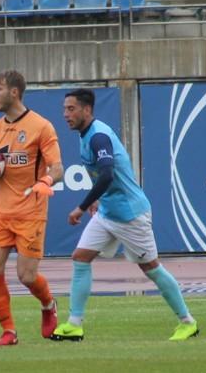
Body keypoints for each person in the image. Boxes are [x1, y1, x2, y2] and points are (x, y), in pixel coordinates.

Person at [53, 88, 198, 342]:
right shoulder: (85, 134)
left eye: (71, 109)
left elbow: (108, 174)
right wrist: (97, 200)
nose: (66, 114)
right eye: (65, 109)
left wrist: (81, 205)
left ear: (87, 110)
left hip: (131, 215)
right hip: (108, 212)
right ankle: (74, 324)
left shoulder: (98, 137)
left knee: (151, 268)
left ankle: (187, 322)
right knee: (80, 257)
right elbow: (104, 175)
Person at [0, 70, 64, 346]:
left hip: (31, 211)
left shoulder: (41, 127)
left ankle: (48, 304)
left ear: (14, 92)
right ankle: (9, 331)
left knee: (26, 276)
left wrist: (45, 180)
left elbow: (58, 168)